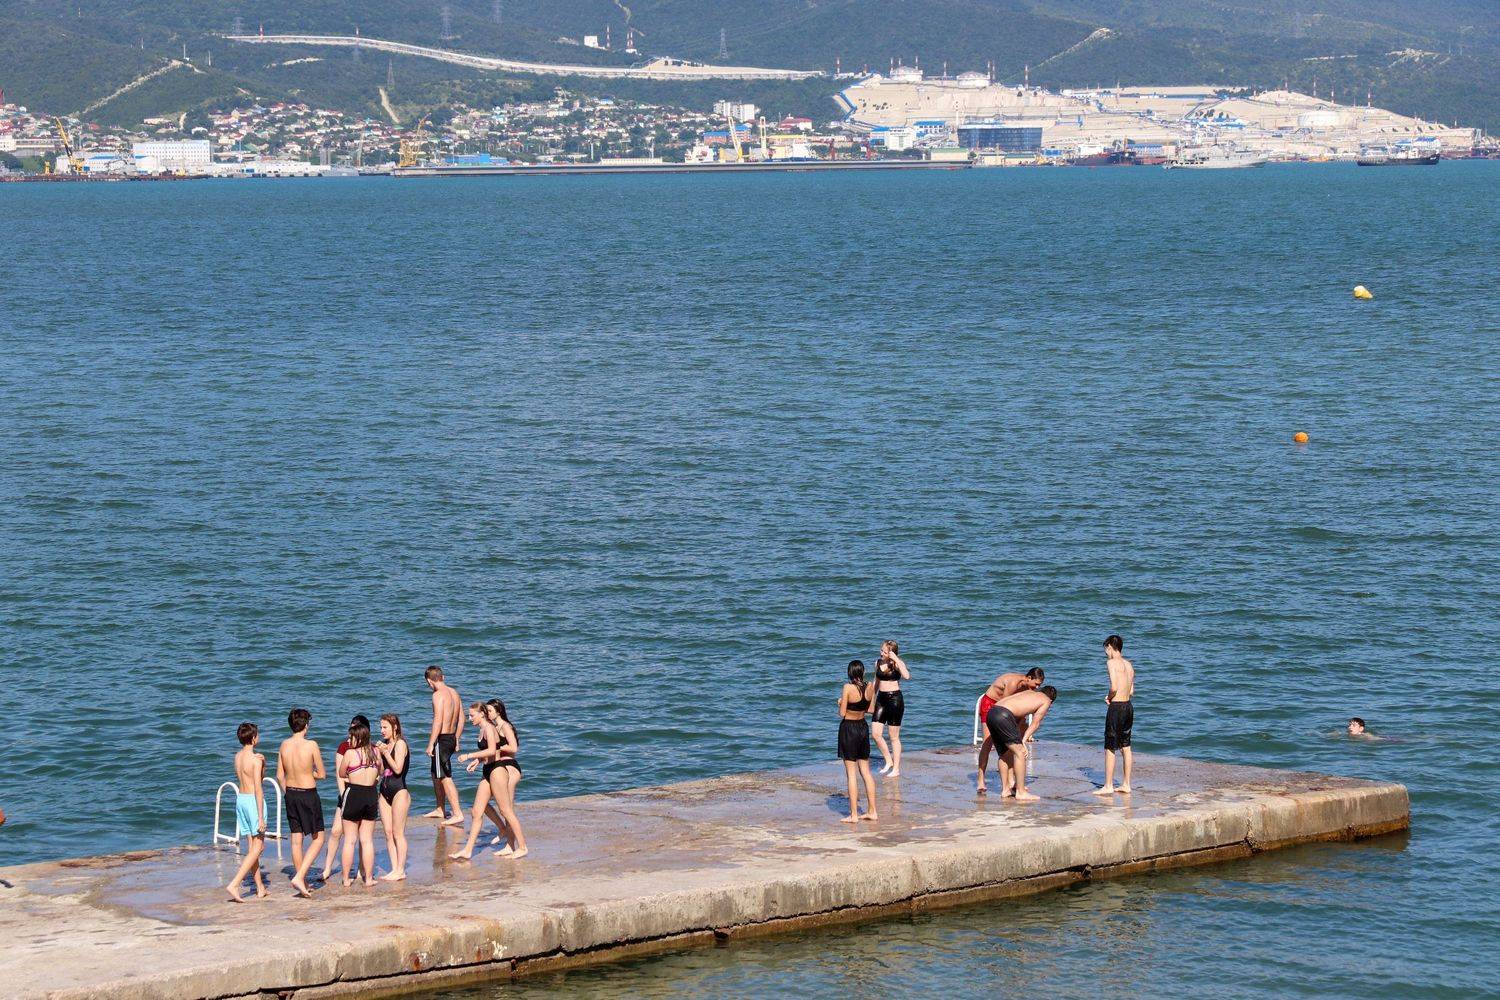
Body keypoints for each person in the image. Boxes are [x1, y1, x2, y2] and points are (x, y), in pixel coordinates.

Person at [276, 708, 326, 898]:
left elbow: (279, 775)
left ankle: (303, 883)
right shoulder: (311, 745)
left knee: (296, 840)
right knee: (318, 838)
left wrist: (287, 792)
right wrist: (308, 773)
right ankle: (300, 876)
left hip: (291, 794)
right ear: (306, 725)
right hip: (308, 794)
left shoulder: (284, 745)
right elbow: (321, 774)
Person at [449, 702, 507, 860]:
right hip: (487, 769)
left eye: (472, 715)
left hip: (497, 770)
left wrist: (469, 756)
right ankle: (469, 849)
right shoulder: (482, 729)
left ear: (482, 714)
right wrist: (478, 761)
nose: (469, 718)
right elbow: (487, 753)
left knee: (505, 810)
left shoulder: (489, 728)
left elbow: (492, 750)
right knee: (477, 810)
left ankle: (516, 843)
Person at [976, 668, 1044, 795]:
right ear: (1029, 678)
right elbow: (1004, 705)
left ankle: (1012, 780)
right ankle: (981, 779)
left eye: (1039, 685)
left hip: (1003, 710)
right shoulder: (1013, 683)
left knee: (1013, 744)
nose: (1037, 687)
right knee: (987, 743)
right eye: (1036, 684)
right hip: (991, 705)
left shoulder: (1026, 688)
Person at [984, 686, 1058, 802]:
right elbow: (1035, 723)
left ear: (1040, 691)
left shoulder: (1029, 693)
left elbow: (1017, 715)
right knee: (1020, 753)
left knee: (1004, 754)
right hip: (1004, 715)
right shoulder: (1046, 700)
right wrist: (1023, 741)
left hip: (992, 712)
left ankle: (1005, 790)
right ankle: (1021, 792)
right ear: (1051, 701)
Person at [319, 714, 367, 882]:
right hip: (346, 793)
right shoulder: (343, 747)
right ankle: (327, 868)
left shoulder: (370, 748)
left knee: (361, 835)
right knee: (335, 831)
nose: (350, 734)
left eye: (354, 729)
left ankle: (361, 869)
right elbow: (339, 775)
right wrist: (343, 795)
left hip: (363, 794)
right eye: (350, 729)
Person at [226, 722, 269, 902]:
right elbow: (258, 787)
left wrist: (263, 763)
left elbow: (248, 777)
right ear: (253, 738)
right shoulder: (255, 760)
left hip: (241, 800)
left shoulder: (237, 757)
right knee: (258, 847)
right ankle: (235, 884)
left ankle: (260, 887)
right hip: (253, 801)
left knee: (253, 848)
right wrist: (260, 817)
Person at [482, 699, 528, 859]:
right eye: (486, 711)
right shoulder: (493, 727)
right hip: (498, 768)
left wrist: (496, 747)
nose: (487, 714)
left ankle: (518, 846)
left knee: (507, 809)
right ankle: (508, 842)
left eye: (490, 711)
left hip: (510, 767)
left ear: (498, 711)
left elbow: (514, 748)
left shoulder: (505, 726)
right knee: (483, 803)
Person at [338, 720, 381, 887]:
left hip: (354, 793)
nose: (349, 740)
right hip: (371, 794)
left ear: (359, 738)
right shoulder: (375, 752)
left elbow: (342, 773)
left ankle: (346, 879)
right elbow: (381, 770)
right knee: (367, 840)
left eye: (351, 737)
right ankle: (368, 879)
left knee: (350, 840)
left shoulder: (350, 753)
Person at [1092, 635, 1135, 795]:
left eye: (1106, 650)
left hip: (1116, 707)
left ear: (1110, 646)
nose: (1106, 653)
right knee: (1126, 746)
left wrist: (1109, 697)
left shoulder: (1111, 663)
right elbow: (1131, 691)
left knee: (1110, 746)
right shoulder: (1129, 665)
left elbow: (1114, 687)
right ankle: (1126, 784)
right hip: (1128, 706)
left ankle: (1108, 785)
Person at [837, 660, 878, 823]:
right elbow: (871, 710)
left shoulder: (847, 688)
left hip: (849, 729)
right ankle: (872, 811)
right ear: (863, 672)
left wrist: (841, 703)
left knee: (851, 774)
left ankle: (854, 815)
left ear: (849, 674)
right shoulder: (870, 686)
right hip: (862, 728)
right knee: (866, 772)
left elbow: (842, 714)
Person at [424, 666, 466, 827]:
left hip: (441, 739)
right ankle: (440, 809)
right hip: (451, 737)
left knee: (445, 776)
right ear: (443, 677)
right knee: (436, 773)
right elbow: (462, 718)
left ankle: (457, 813)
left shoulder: (437, 695)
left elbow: (438, 720)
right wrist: (457, 738)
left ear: (429, 681)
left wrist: (430, 744)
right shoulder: (454, 693)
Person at [375, 714, 411, 882]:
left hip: (399, 791)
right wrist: (378, 755)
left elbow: (397, 769)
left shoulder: (400, 744)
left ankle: (401, 870)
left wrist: (385, 752)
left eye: (385, 727)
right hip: (384, 791)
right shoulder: (386, 745)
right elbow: (383, 771)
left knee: (398, 833)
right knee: (388, 833)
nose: (382, 730)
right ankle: (394, 868)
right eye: (381, 727)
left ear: (394, 727)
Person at [871, 641, 909, 777]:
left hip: (895, 700)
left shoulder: (897, 664)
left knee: (893, 737)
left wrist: (896, 659)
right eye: (881, 650)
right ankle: (888, 761)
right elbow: (876, 682)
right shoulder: (878, 663)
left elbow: (907, 676)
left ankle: (896, 769)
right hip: (881, 699)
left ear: (891, 653)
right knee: (875, 734)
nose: (881, 653)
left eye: (885, 652)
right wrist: (871, 700)